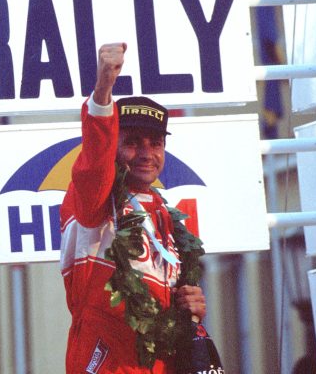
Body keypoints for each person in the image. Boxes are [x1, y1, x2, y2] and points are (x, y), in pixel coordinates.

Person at [59, 43, 207, 373]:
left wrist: (192, 308)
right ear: (113, 146)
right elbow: (94, 164)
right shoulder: (93, 201)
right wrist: (103, 91)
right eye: (132, 142)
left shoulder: (167, 217)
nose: (146, 153)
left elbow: (168, 318)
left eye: (156, 143)